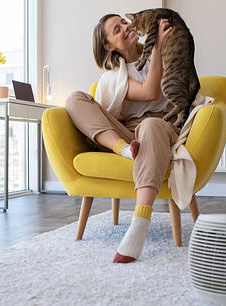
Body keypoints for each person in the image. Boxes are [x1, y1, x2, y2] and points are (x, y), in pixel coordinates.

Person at [65, 13, 176, 263]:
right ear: (109, 46)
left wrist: (157, 46)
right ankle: (123, 149)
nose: (126, 27)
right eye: (117, 29)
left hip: (163, 127)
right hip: (128, 135)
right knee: (74, 99)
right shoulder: (114, 76)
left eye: (124, 22)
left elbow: (156, 92)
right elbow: (148, 92)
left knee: (149, 126)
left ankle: (139, 223)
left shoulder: (162, 52)